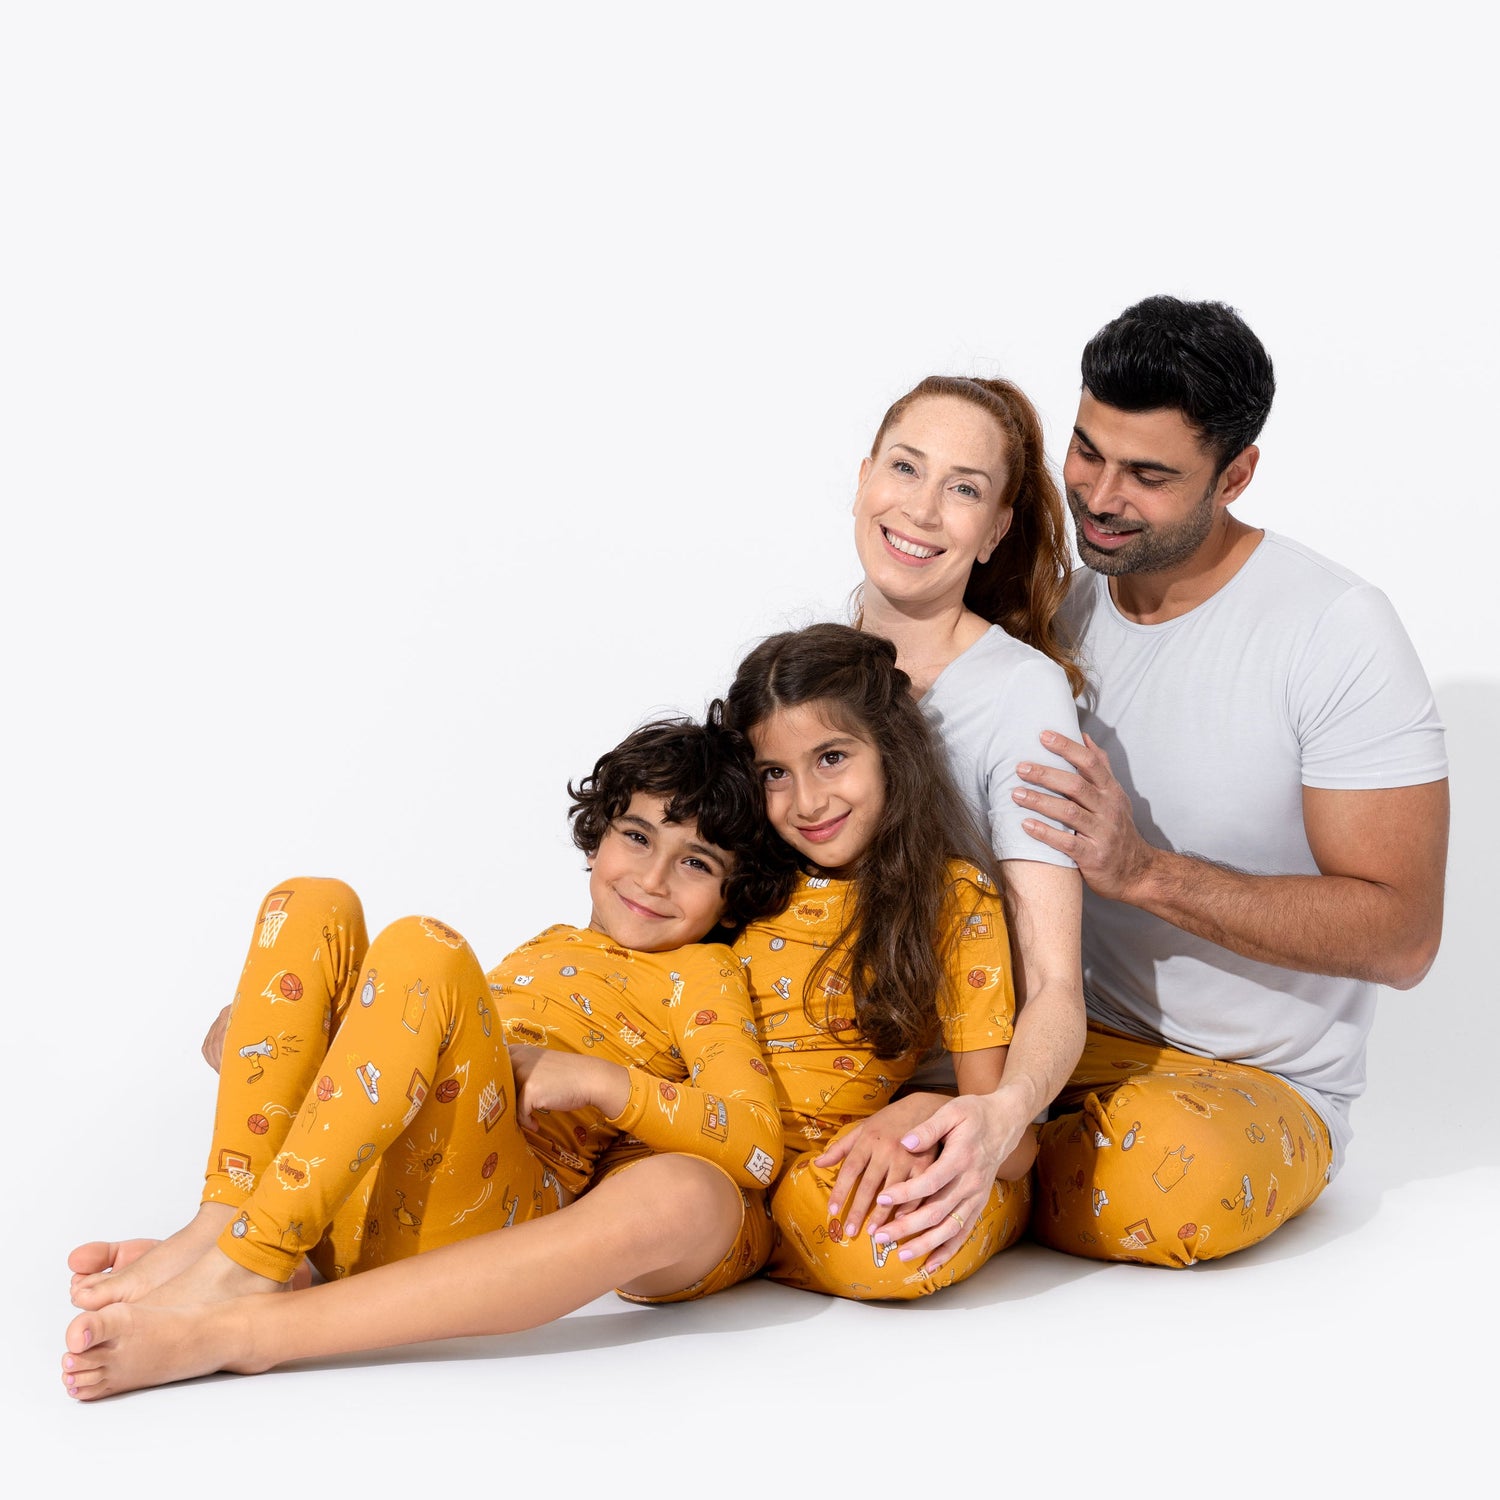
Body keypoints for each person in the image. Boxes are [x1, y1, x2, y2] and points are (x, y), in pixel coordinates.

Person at [62, 716, 796, 1398]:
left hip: (481, 1219)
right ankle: (223, 1222)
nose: (653, 878)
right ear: (597, 837)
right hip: (356, 1199)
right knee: (311, 901)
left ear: (732, 897)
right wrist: (284, 1036)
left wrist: (606, 1084)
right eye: (636, 836)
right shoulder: (550, 944)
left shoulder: (701, 972)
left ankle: (247, 1264)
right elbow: (403, 1065)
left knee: (424, 948)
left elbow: (758, 1145)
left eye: (695, 862)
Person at [1011, 295, 1449, 1266]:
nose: (1100, 495)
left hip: (1248, 1086)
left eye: (1149, 475)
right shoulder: (1061, 603)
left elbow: (1405, 936)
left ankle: (975, 1174)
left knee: (1174, 1186)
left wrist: (1145, 873)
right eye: (1087, 451)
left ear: (1236, 474)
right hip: (1055, 1036)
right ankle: (985, 1161)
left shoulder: (1334, 629)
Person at [808, 374, 1088, 1268]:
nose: (921, 510)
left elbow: (1054, 981)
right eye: (905, 468)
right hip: (783, 1063)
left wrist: (993, 1115)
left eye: (963, 489)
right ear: (863, 478)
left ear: (995, 530)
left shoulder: (1021, 694)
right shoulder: (809, 668)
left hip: (936, 1088)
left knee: (866, 1252)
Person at [721, 622, 1039, 1298]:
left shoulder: (953, 899)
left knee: (886, 1247)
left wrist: (920, 1108)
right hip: (714, 1156)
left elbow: (1008, 1143)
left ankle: (774, 1237)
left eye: (831, 758)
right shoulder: (739, 883)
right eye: (775, 774)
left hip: (833, 1171)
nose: (808, 802)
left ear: (891, 750)